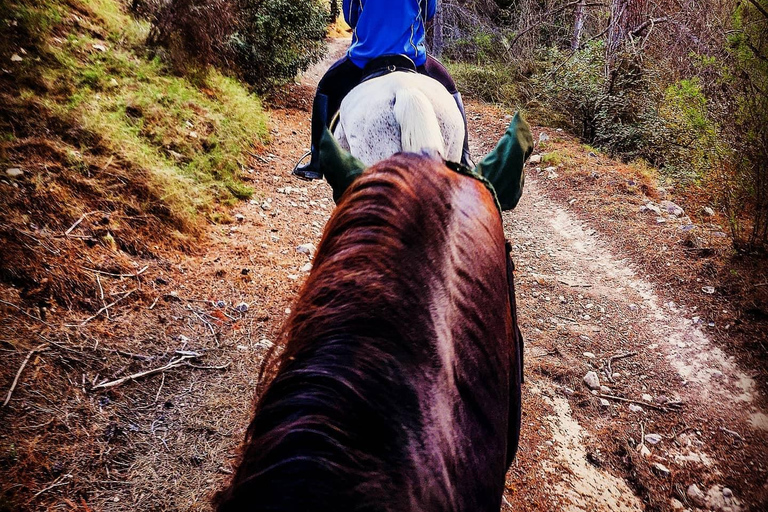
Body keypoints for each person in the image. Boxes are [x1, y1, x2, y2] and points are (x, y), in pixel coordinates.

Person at [293, 0, 473, 180]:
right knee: (450, 89)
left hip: (364, 57)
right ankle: (465, 158)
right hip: (412, 57)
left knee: (325, 88)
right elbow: (428, 13)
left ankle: (316, 161)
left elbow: (351, 18)